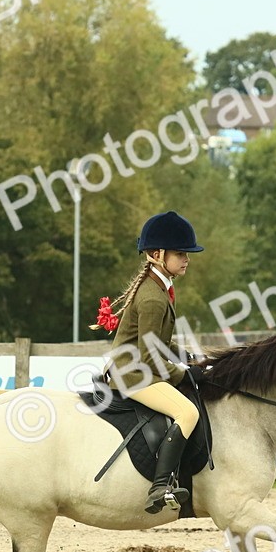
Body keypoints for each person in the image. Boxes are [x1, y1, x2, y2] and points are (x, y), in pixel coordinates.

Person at [101, 211, 203, 514]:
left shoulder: (159, 288)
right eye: (181, 253)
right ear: (158, 255)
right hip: (132, 374)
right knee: (187, 412)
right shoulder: (152, 297)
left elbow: (157, 341)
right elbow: (150, 357)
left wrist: (188, 355)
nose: (186, 259)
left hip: (136, 366)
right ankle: (160, 485)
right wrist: (184, 374)